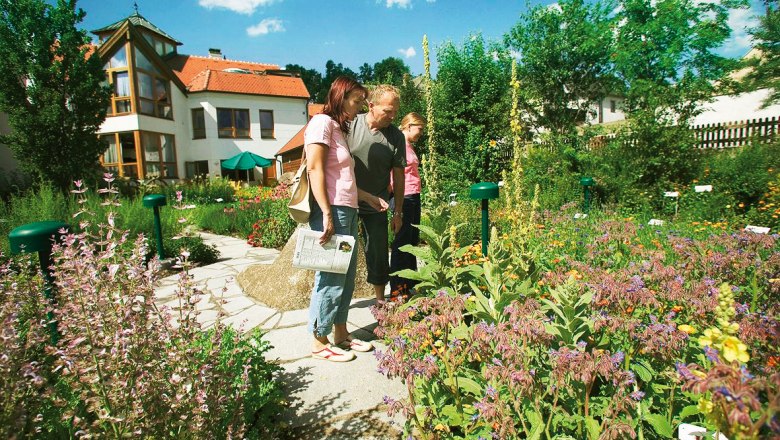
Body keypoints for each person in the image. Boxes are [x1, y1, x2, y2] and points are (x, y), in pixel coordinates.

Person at [306, 76, 376, 362]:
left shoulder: (337, 128)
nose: (360, 107)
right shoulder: (321, 123)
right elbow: (315, 169)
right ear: (339, 96)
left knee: (346, 278)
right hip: (332, 209)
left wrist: (367, 197)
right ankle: (318, 341)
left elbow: (341, 177)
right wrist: (325, 213)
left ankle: (341, 334)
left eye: (362, 101)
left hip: (346, 209)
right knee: (331, 276)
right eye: (356, 101)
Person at [348, 84, 406, 303]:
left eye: (395, 112)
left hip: (377, 205)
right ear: (371, 106)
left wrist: (397, 212)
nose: (392, 116)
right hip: (347, 202)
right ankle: (340, 303)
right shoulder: (350, 125)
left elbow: (399, 177)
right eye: (387, 111)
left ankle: (380, 302)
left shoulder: (396, 137)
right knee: (343, 251)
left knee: (379, 254)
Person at [389, 112, 425, 299]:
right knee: (402, 243)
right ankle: (397, 289)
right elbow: (391, 172)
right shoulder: (398, 143)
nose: (421, 133)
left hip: (413, 196)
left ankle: (409, 285)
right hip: (404, 197)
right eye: (419, 129)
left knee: (412, 241)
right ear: (409, 125)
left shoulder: (408, 145)